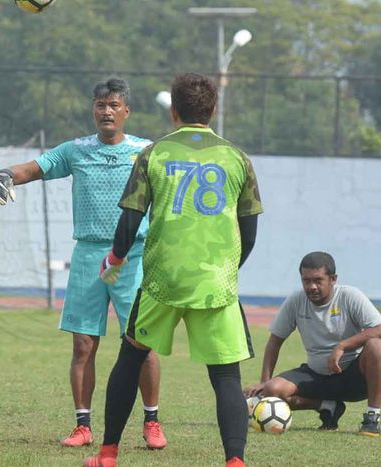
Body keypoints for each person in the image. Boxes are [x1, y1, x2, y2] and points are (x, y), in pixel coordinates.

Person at [83, 72, 263, 467]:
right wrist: (229, 268)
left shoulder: (153, 154)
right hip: (215, 282)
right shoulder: (237, 158)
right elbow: (249, 230)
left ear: (173, 111)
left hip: (162, 280)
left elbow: (130, 220)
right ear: (213, 110)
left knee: (130, 358)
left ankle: (108, 454)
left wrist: (114, 260)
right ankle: (235, 461)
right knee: (227, 376)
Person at [0, 77, 167, 449]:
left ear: (126, 112)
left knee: (142, 342)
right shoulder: (76, 150)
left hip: (133, 256)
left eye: (114, 105)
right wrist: (6, 175)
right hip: (88, 257)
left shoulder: (147, 151)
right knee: (83, 345)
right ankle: (83, 426)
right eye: (100, 105)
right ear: (93, 110)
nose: (106, 111)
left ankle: (152, 421)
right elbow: (34, 168)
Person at [243, 252, 381, 436]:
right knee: (272, 390)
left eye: (318, 280)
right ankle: (328, 407)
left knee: (376, 346)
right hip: (317, 376)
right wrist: (264, 382)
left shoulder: (349, 296)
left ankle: (373, 417)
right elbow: (275, 341)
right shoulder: (296, 300)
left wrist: (342, 346)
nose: (311, 286)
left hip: (354, 378)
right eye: (306, 280)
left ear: (333, 279)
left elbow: (379, 328)